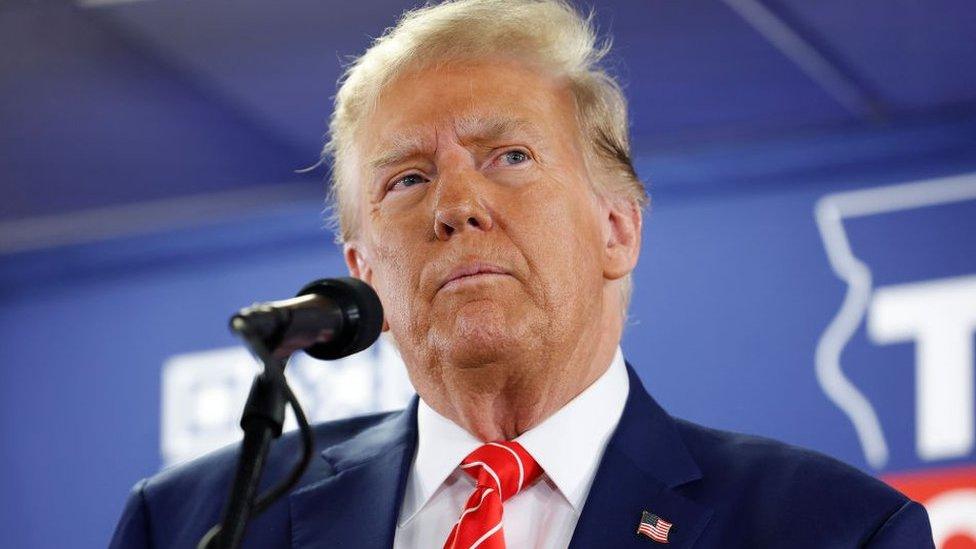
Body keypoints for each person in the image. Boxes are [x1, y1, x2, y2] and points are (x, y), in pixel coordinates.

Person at [110, 1, 934, 547]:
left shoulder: (832, 529)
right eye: (406, 178)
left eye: (509, 155)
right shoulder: (197, 521)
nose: (456, 205)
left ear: (617, 228)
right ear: (363, 273)